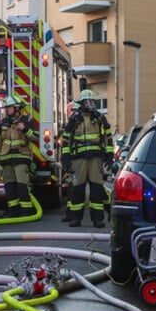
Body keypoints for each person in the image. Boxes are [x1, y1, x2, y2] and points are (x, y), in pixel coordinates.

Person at [61, 89, 112, 228]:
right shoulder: (75, 119)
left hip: (96, 159)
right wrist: (65, 157)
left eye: (92, 102)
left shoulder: (100, 118)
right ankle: (76, 218)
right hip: (78, 160)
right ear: (82, 103)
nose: (90, 105)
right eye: (87, 102)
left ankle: (98, 219)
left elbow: (108, 137)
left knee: (97, 190)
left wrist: (109, 155)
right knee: (77, 190)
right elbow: (66, 139)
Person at [0, 95, 37, 218]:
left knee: (22, 185)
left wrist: (25, 129)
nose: (7, 110)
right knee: (9, 186)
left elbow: (35, 137)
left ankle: (27, 211)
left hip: (21, 158)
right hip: (6, 159)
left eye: (9, 107)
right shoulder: (4, 122)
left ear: (17, 108)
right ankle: (13, 211)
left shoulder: (26, 121)